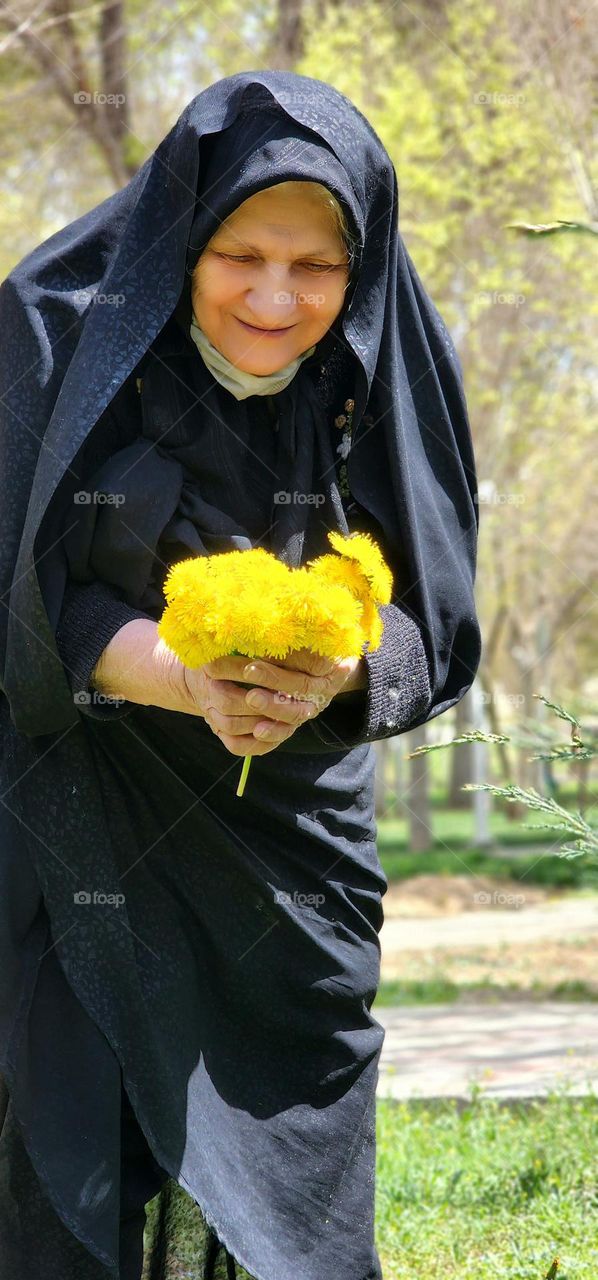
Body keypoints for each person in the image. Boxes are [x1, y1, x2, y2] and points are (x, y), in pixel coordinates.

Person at [0, 70, 482, 1280]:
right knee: (75, 1134)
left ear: (359, 268)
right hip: (76, 817)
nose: (275, 297)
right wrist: (175, 671)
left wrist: (332, 675)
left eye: (315, 269)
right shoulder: (50, 331)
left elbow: (439, 613)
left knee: (294, 1139)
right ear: (182, 238)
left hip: (289, 847)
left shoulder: (379, 376)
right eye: (238, 254)